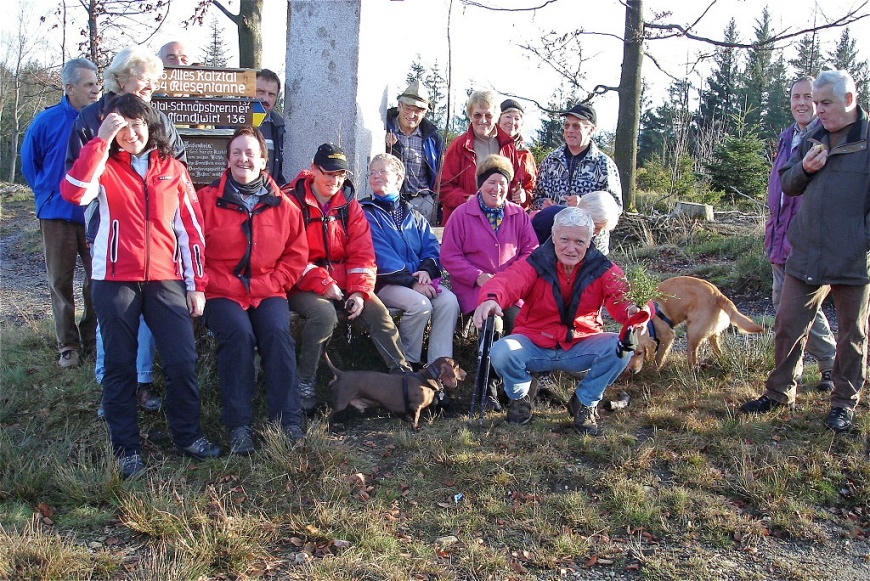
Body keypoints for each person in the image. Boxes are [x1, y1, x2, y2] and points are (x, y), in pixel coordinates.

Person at [61, 94, 220, 478]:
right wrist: (99, 142)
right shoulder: (102, 165)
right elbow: (74, 192)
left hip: (166, 278)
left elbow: (190, 230)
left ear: (151, 126)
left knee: (182, 360)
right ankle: (126, 448)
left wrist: (196, 284)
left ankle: (188, 435)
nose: (131, 133)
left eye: (138, 124)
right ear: (110, 128)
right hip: (114, 279)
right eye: (122, 125)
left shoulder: (171, 169)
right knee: (119, 366)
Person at [741, 70, 870, 434]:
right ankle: (779, 393)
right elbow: (788, 183)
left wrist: (861, 239)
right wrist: (805, 168)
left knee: (852, 335)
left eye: (825, 103)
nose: (818, 110)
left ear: (848, 100)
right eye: (815, 102)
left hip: (852, 257)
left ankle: (843, 404)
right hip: (806, 252)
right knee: (787, 324)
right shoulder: (813, 134)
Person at [66, 46, 185, 413]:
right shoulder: (90, 117)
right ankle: (112, 384)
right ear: (120, 80)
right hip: (109, 232)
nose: (148, 88)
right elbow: (76, 177)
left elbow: (176, 161)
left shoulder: (158, 118)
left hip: (154, 237)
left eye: (153, 84)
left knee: (147, 313)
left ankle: (143, 381)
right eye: (142, 81)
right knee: (114, 315)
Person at [473, 207, 649, 433]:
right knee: (501, 351)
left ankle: (585, 402)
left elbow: (621, 298)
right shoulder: (535, 263)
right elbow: (507, 282)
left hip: (581, 344)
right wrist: (491, 299)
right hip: (534, 343)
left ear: (590, 240)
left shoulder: (603, 268)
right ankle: (521, 397)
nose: (571, 248)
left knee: (622, 347)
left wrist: (636, 311)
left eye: (579, 241)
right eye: (564, 239)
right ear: (553, 236)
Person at [198, 127, 308, 453]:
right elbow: (192, 253)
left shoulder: (284, 206)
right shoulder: (206, 201)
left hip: (268, 289)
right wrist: (223, 285)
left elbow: (295, 255)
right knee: (237, 335)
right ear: (228, 158)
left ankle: (287, 419)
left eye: (251, 153)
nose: (243, 158)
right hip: (221, 290)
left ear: (263, 160)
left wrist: (266, 285)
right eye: (237, 152)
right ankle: (239, 424)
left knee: (277, 333)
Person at [284, 143, 411, 411]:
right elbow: (290, 255)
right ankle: (304, 381)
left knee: (380, 315)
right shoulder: (290, 201)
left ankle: (403, 379)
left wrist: (359, 292)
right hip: (301, 282)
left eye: (340, 174)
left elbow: (363, 255)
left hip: (343, 284)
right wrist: (323, 284)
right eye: (328, 173)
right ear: (313, 169)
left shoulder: (348, 205)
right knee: (324, 316)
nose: (334, 180)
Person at [440, 154, 538, 408]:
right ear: (480, 184)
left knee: (521, 324)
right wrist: (478, 276)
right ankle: (487, 389)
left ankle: (516, 388)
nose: (497, 189)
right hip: (476, 290)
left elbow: (531, 252)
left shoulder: (518, 214)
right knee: (492, 326)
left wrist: (510, 278)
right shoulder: (462, 215)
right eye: (491, 183)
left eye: (502, 183)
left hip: (511, 290)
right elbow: (450, 256)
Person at [21, 58, 100, 369]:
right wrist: (48, 194)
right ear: (69, 88)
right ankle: (67, 345)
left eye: (98, 83)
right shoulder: (46, 121)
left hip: (94, 214)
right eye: (89, 85)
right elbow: (30, 164)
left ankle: (94, 339)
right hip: (57, 215)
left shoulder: (102, 118)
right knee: (60, 281)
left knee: (98, 281)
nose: (96, 90)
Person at [763, 77, 836, 391]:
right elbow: (780, 190)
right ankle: (821, 366)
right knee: (788, 306)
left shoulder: (827, 137)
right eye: (796, 97)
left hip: (810, 241)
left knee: (796, 307)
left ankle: (828, 365)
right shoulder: (788, 136)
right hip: (781, 237)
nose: (802, 103)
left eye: (809, 97)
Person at [361, 154, 460, 369]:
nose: (375, 176)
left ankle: (438, 367)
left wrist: (426, 270)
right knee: (420, 304)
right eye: (372, 172)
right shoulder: (366, 212)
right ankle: (407, 365)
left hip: (418, 282)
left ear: (398, 178)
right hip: (386, 284)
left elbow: (431, 246)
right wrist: (412, 282)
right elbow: (379, 252)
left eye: (382, 171)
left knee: (448, 301)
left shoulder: (412, 214)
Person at [532, 103, 622, 254]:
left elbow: (616, 208)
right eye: (566, 126)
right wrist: (543, 205)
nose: (570, 130)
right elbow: (536, 197)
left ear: (591, 129)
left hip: (591, 249)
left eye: (576, 126)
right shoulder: (551, 160)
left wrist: (586, 207)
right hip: (554, 244)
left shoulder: (604, 164)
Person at [438, 90, 523, 224]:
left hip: (499, 221)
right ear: (470, 116)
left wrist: (520, 194)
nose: (483, 120)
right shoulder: (459, 146)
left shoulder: (508, 146)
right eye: (477, 115)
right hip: (464, 220)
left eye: (488, 115)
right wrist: (468, 199)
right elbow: (442, 188)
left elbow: (515, 183)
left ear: (496, 116)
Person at [385, 80, 443, 224]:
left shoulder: (433, 138)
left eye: (418, 111)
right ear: (399, 106)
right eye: (408, 108)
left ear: (424, 113)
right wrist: (388, 147)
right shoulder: (385, 128)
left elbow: (441, 172)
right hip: (393, 201)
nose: (411, 115)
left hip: (424, 202)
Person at [497, 98, 536, 210]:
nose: (512, 122)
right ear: (498, 119)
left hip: (514, 213)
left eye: (517, 118)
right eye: (508, 116)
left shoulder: (525, 154)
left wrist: (525, 195)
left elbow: (533, 187)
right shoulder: (490, 147)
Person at [255, 69, 287, 185]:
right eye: (260, 92)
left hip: (268, 197)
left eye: (271, 94)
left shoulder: (280, 127)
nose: (265, 99)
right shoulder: (230, 123)